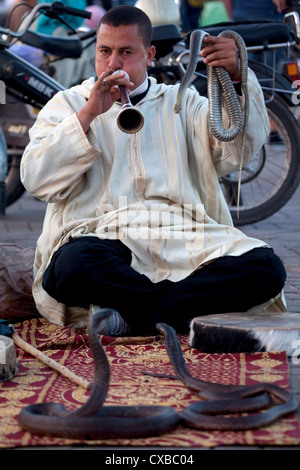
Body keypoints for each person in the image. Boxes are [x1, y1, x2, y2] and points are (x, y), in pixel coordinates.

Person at [21, 5, 287, 337]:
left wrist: (237, 76)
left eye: (126, 52)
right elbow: (35, 180)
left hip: (181, 234)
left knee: (265, 268)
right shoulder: (69, 104)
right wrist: (89, 114)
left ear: (149, 55)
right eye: (105, 51)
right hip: (102, 236)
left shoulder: (183, 102)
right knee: (72, 267)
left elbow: (238, 151)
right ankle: (178, 312)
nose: (113, 63)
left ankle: (133, 319)